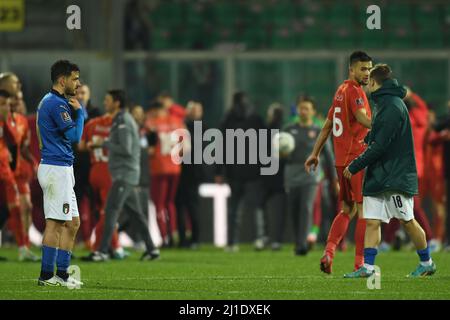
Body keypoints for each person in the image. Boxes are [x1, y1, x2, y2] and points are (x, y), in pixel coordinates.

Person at [343, 63, 437, 278]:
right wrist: (368, 137)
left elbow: (380, 146)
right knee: (373, 221)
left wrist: (355, 164)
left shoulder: (392, 106)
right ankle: (367, 268)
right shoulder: (384, 104)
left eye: (369, 81)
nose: (366, 85)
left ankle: (427, 262)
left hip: (394, 176)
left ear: (375, 82)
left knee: (407, 221)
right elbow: (380, 135)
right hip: (380, 175)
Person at [305, 51, 372, 273]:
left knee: (346, 210)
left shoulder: (340, 92)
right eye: (363, 68)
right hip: (357, 160)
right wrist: (382, 125)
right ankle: (360, 263)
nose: (367, 73)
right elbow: (362, 117)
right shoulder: (355, 92)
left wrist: (315, 153)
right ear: (351, 70)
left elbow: (326, 127)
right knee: (365, 211)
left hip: (342, 162)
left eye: (369, 69)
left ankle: (329, 252)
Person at [87, 90, 159, 262]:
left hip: (124, 175)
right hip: (126, 174)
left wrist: (102, 143)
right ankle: (152, 249)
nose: (105, 103)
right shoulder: (122, 119)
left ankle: (102, 251)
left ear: (117, 103)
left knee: (111, 211)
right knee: (136, 214)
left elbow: (126, 148)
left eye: (108, 100)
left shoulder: (123, 120)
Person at [36, 60, 85, 287]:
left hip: (61, 168)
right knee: (55, 223)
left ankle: (62, 275)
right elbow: (75, 137)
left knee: (73, 222)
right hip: (56, 169)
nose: (78, 83)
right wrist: (81, 114)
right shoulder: (56, 104)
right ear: (62, 80)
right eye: (74, 79)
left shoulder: (51, 101)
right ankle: (46, 276)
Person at [215, 91, 267, 252]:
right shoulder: (256, 118)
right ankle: (259, 238)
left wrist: (219, 171)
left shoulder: (228, 119)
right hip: (253, 171)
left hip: (235, 171)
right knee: (256, 207)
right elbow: (265, 145)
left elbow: (220, 147)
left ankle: (232, 242)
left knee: (235, 209)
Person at [283, 97, 335, 255]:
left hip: (311, 176)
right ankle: (298, 241)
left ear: (313, 111)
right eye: (301, 108)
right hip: (292, 175)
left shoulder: (319, 130)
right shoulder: (287, 130)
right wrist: (280, 154)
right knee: (294, 209)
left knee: (306, 207)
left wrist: (334, 179)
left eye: (307, 108)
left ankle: (302, 244)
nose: (303, 111)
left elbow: (329, 155)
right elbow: (277, 153)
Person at [79, 91, 127, 260]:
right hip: (110, 172)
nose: (105, 102)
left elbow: (81, 146)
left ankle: (115, 246)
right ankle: (98, 247)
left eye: (107, 100)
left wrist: (94, 145)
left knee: (106, 210)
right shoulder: (120, 125)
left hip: (95, 171)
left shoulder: (92, 124)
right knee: (109, 212)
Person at [0, 73, 40, 262]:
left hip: (11, 170)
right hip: (6, 169)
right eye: (15, 83)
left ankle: (23, 246)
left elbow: (17, 144)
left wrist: (31, 162)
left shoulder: (20, 121)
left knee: (19, 207)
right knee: (11, 208)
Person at [146, 98, 185, 246]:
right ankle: (173, 232)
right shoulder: (177, 122)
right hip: (175, 167)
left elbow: (147, 145)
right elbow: (185, 146)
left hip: (159, 167)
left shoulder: (152, 123)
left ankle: (164, 237)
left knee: (159, 204)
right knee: (170, 203)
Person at [175, 101, 204, 249]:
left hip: (190, 172)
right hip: (182, 171)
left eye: (197, 110)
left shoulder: (193, 128)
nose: (195, 112)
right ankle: (185, 238)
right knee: (181, 205)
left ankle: (193, 238)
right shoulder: (190, 127)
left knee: (189, 206)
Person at [434, 99, 450, 251]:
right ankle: (447, 240)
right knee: (446, 205)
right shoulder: (446, 120)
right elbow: (435, 128)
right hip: (446, 170)